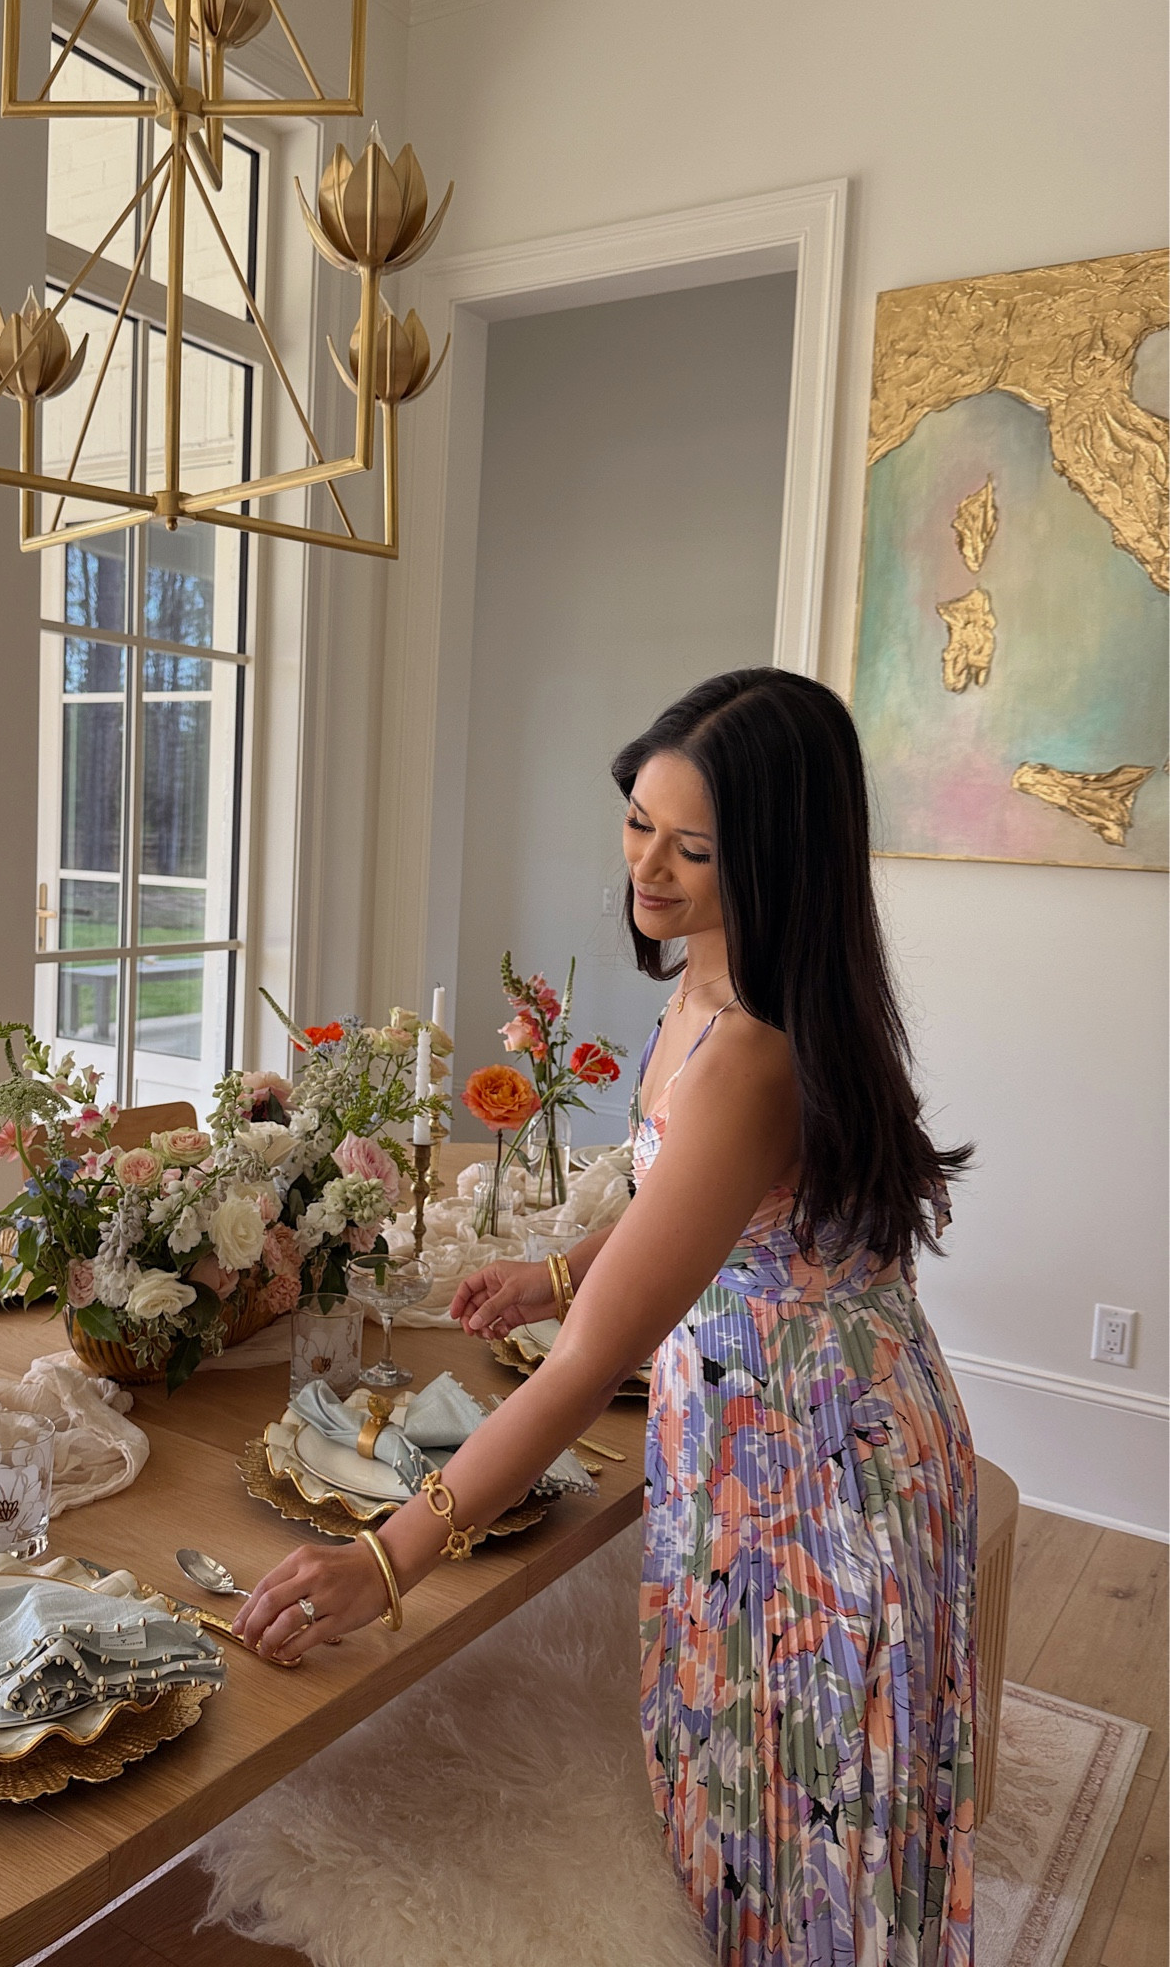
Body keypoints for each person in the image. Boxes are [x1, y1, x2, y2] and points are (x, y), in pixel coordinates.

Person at [234, 667, 977, 1967]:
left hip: (818, 1470)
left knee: (788, 1823)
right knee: (719, 1774)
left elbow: (586, 1370)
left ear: (775, 856)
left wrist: (388, 1561)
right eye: (639, 820)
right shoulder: (703, 987)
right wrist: (560, 1270)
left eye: (693, 846)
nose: (648, 866)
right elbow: (694, 1209)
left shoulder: (752, 1052)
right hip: (760, 1419)